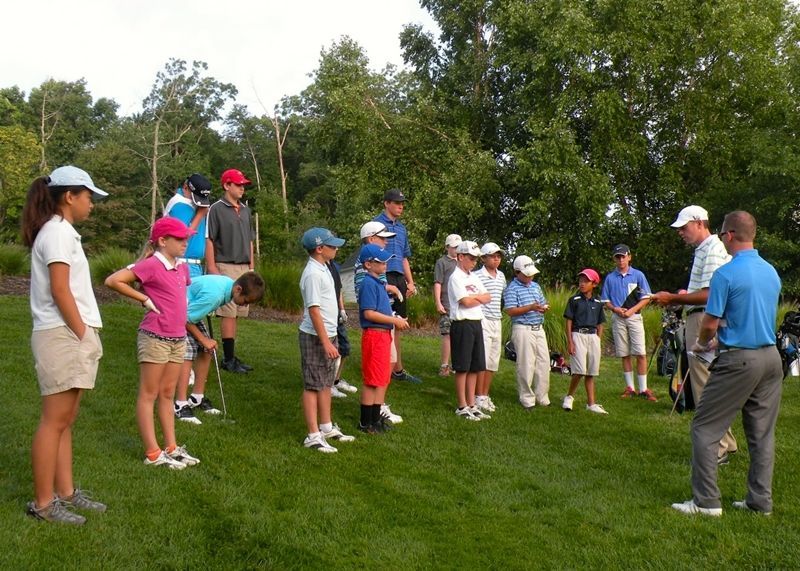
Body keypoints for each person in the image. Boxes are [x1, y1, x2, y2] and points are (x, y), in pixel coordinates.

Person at [671, 211, 782, 517]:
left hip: (739, 361)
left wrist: (705, 342)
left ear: (729, 235)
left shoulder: (725, 274)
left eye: (722, 235)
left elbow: (710, 321)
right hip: (771, 359)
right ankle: (760, 502)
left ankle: (706, 502)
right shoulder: (771, 272)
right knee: (761, 435)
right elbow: (754, 318)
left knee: (705, 428)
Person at [22, 166, 108, 525]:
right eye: (89, 196)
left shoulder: (62, 233)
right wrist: (82, 333)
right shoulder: (56, 234)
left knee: (65, 420)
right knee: (53, 421)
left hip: (67, 334)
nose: (92, 203)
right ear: (69, 196)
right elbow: (60, 290)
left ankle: (66, 492)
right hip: (62, 334)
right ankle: (43, 504)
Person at [105, 217, 200, 470]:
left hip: (177, 338)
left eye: (186, 238)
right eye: (180, 238)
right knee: (149, 394)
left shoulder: (182, 267)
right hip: (155, 336)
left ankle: (171, 447)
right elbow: (114, 280)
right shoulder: (151, 265)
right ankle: (152, 452)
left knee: (168, 394)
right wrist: (143, 299)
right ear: (162, 241)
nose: (185, 242)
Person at [651, 205, 736, 464]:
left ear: (699, 223)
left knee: (704, 385)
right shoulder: (705, 249)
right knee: (708, 382)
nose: (680, 232)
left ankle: (718, 448)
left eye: (684, 227)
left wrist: (675, 297)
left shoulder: (711, 249)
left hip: (704, 319)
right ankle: (727, 442)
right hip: (700, 315)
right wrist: (682, 299)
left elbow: (711, 294)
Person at [174, 272, 266, 424]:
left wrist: (205, 341)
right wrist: (203, 339)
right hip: (178, 311)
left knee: (207, 350)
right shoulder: (215, 296)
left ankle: (196, 397)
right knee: (188, 352)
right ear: (238, 289)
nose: (245, 305)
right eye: (245, 301)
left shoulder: (228, 287)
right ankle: (180, 404)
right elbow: (185, 318)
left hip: (190, 311)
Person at [298, 227, 356, 452]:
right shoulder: (312, 273)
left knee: (325, 382)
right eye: (332, 246)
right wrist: (325, 342)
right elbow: (314, 310)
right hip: (315, 336)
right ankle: (313, 435)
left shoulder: (324, 267)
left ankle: (326, 426)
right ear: (319, 249)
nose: (336, 249)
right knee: (313, 384)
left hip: (327, 334)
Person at [353, 220, 405, 424]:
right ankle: (367, 422)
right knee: (372, 380)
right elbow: (368, 313)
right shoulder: (367, 282)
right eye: (381, 262)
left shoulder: (377, 282)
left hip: (382, 334)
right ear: (368, 264)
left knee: (381, 377)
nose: (385, 266)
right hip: (374, 335)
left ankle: (375, 420)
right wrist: (392, 319)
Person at [206, 168, 255, 374]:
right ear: (227, 185)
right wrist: (212, 267)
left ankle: (231, 356)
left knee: (237, 314)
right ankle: (227, 359)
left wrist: (252, 267)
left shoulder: (245, 210)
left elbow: (250, 241)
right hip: (225, 264)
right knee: (228, 313)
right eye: (238, 184)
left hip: (244, 267)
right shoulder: (216, 209)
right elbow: (209, 239)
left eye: (244, 184)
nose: (242, 188)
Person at [373, 188, 421, 383]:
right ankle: (380, 366)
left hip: (399, 278)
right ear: (386, 203)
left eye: (402, 203)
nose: (400, 206)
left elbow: (404, 258)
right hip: (382, 276)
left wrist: (410, 282)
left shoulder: (402, 229)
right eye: (396, 202)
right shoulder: (375, 225)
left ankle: (397, 369)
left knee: (399, 323)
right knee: (382, 323)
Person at [600, 244, 655, 401]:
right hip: (618, 318)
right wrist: (615, 309)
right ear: (614, 259)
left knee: (640, 353)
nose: (620, 260)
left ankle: (643, 388)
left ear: (629, 257)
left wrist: (632, 310)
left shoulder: (638, 275)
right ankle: (630, 388)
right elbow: (605, 300)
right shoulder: (610, 278)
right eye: (617, 257)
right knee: (624, 353)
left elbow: (646, 297)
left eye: (623, 256)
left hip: (634, 317)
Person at [448, 241, 492, 421]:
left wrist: (474, 298)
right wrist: (477, 298)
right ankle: (462, 405)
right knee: (462, 366)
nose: (474, 262)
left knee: (475, 366)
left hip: (476, 322)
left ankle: (472, 404)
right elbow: (464, 302)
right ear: (460, 257)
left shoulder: (474, 277)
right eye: (471, 258)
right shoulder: (455, 277)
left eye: (476, 259)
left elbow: (488, 296)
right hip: (462, 324)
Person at [503, 255, 551, 410]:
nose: (530, 276)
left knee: (544, 363)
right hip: (523, 329)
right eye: (527, 274)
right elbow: (510, 311)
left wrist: (543, 308)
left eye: (531, 274)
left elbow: (541, 303)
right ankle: (527, 398)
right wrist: (530, 307)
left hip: (538, 328)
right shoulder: (512, 289)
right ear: (517, 272)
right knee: (526, 364)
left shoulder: (535, 286)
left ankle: (542, 396)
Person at [563, 269, 608, 414]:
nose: (582, 284)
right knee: (579, 370)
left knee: (591, 372)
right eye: (580, 281)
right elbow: (569, 321)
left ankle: (591, 403)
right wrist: (570, 341)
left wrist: (598, 339)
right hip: (578, 335)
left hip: (592, 337)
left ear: (594, 284)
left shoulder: (598, 302)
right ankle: (569, 396)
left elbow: (600, 323)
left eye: (586, 281)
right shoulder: (574, 300)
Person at [474, 242, 507, 412]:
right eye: (493, 256)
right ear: (484, 258)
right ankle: (478, 395)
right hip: (483, 320)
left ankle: (485, 395)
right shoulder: (477, 276)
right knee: (483, 359)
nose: (496, 259)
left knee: (493, 361)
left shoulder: (501, 276)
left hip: (497, 320)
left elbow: (503, 296)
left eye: (498, 256)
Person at [164, 173, 212, 278]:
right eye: (195, 197)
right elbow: (181, 236)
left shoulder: (192, 204)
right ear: (186, 187)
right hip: (183, 263)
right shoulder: (180, 204)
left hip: (193, 264)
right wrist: (200, 215)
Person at [328, 259, 358, 399]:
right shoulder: (319, 268)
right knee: (331, 351)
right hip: (326, 315)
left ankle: (336, 380)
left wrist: (342, 309)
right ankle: (329, 385)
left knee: (344, 348)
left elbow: (338, 289)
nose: (336, 250)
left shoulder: (335, 267)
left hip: (336, 314)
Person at [433, 234, 462, 377]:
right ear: (447, 247)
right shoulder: (442, 262)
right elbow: (438, 283)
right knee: (447, 335)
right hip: (447, 305)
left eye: (459, 247)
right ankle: (444, 365)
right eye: (454, 247)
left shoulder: (463, 262)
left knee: (459, 336)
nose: (457, 249)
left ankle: (457, 365)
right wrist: (438, 302)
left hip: (461, 306)